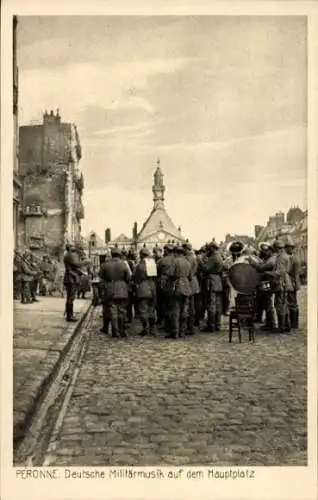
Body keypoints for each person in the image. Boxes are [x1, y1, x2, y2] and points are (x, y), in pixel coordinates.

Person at [99, 248, 131, 338]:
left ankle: (115, 332)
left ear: (112, 255)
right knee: (122, 311)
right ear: (120, 255)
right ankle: (121, 330)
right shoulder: (124, 264)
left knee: (113, 311)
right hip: (122, 289)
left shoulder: (105, 265)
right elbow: (128, 278)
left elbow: (101, 277)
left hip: (110, 289)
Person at [167, 245, 192, 339]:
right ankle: (182, 332)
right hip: (187, 286)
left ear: (176, 252)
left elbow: (170, 273)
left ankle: (175, 332)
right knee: (185, 310)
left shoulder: (175, 261)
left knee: (176, 310)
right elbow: (190, 276)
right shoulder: (187, 262)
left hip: (177, 286)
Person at [133, 248, 157, 336]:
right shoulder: (153, 264)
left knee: (143, 309)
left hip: (143, 288)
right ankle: (152, 329)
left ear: (141, 255)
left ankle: (145, 329)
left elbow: (135, 277)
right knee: (152, 309)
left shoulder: (139, 266)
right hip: (152, 287)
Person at [202, 241, 224, 332]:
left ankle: (211, 325)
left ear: (212, 248)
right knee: (218, 304)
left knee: (211, 304)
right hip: (218, 281)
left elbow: (206, 269)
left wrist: (201, 262)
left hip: (212, 281)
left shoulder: (213, 257)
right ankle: (218, 324)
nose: (208, 250)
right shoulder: (219, 256)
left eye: (209, 248)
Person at [157, 244, 175, 332]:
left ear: (167, 250)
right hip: (175, 284)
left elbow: (157, 271)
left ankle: (165, 323)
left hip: (164, 283)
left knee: (164, 303)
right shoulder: (176, 259)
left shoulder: (162, 260)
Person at [183, 242, 200, 335]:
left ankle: (189, 327)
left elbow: (188, 272)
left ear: (186, 249)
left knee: (189, 306)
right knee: (192, 305)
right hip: (193, 281)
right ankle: (191, 326)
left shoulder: (188, 258)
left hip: (189, 282)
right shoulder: (194, 257)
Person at [63, 244, 83, 322]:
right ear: (70, 248)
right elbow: (77, 264)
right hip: (71, 278)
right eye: (72, 247)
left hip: (69, 278)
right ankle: (70, 316)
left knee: (69, 297)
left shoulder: (68, 255)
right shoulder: (70, 255)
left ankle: (69, 314)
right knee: (71, 298)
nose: (74, 248)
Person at [285, 236, 301, 330]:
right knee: (293, 302)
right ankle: (294, 323)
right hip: (295, 282)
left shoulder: (292, 259)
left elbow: (289, 271)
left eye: (287, 247)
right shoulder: (296, 257)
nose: (286, 249)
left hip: (292, 282)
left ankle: (294, 324)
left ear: (290, 248)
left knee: (292, 303)